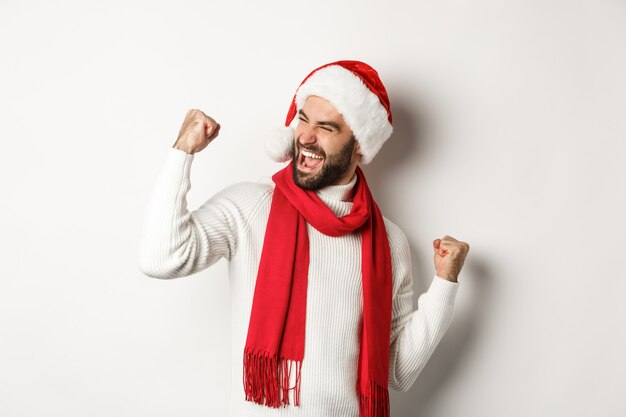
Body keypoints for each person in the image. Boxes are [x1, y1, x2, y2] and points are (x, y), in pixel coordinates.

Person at [138, 60, 470, 417]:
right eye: (303, 119)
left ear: (360, 143)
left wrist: (444, 284)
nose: (306, 137)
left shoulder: (389, 242)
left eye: (326, 127)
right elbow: (161, 258)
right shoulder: (251, 206)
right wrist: (181, 152)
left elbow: (398, 372)